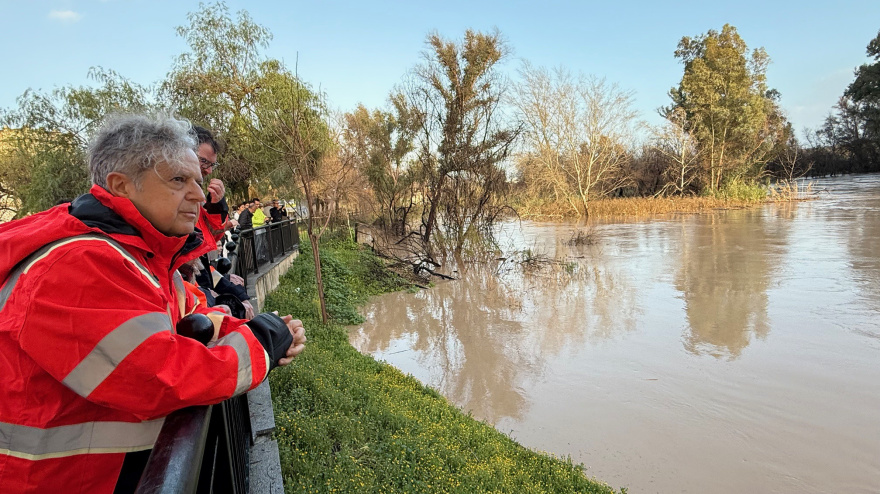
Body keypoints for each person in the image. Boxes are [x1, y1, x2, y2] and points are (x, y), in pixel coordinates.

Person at [0, 113, 306, 493]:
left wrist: (249, 329)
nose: (198, 195)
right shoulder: (77, 265)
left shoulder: (144, 257)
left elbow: (190, 315)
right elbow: (161, 377)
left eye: (198, 179)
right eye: (179, 180)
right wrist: (262, 342)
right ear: (121, 186)